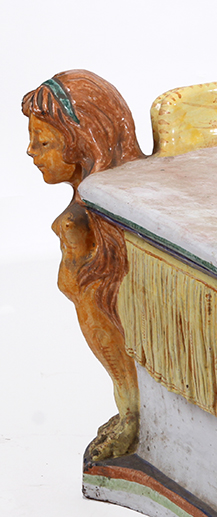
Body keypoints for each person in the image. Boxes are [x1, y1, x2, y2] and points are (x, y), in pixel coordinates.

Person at [23, 70, 144, 461]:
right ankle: (132, 411)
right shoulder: (84, 217)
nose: (30, 151)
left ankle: (134, 415)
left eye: (43, 141)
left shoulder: (98, 226)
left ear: (83, 140)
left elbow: (108, 322)